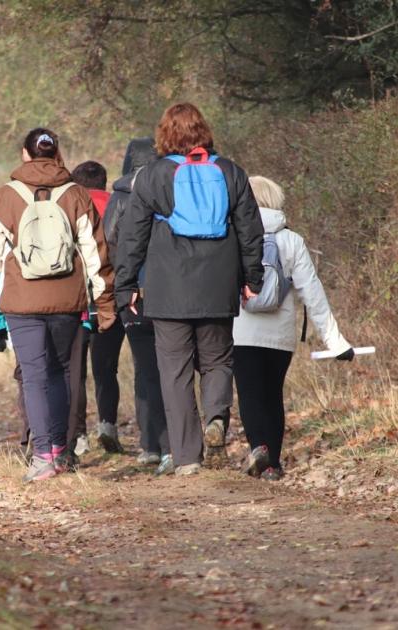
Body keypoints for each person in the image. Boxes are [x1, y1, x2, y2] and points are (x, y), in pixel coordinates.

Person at [115, 103, 264, 475]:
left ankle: (187, 458)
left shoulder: (152, 175)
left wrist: (126, 284)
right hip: (218, 284)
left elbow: (132, 235)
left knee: (174, 370)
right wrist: (252, 279)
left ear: (165, 134)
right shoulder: (230, 172)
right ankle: (216, 418)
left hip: (167, 289)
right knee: (217, 360)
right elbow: (250, 231)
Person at [0, 128, 115, 483]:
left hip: (22, 300)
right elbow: (96, 253)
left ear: (24, 154)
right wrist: (104, 301)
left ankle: (42, 456)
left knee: (34, 376)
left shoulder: (6, 196)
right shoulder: (76, 194)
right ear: (56, 155)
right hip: (68, 299)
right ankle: (64, 453)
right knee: (64, 373)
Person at [233, 176, 354, 481]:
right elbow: (313, 293)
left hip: (242, 331)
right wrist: (335, 341)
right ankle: (273, 463)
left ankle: (257, 446)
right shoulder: (293, 240)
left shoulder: (233, 235)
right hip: (280, 334)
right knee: (273, 394)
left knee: (249, 393)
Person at [103, 138, 172, 474]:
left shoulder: (119, 196)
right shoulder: (169, 187)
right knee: (174, 367)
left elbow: (111, 241)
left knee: (146, 370)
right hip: (170, 289)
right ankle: (176, 443)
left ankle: (150, 445)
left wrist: (123, 284)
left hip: (134, 293)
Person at [69, 160, 122, 455]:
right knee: (106, 368)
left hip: (76, 299)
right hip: (110, 298)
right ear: (104, 182)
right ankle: (107, 425)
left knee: (75, 371)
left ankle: (78, 436)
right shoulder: (118, 205)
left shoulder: (70, 206)